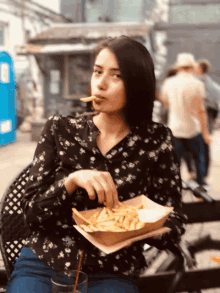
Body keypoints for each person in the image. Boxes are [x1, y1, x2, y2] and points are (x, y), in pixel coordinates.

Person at [6, 36, 186, 293]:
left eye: (117, 76)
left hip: (112, 270)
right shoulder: (60, 129)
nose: (100, 84)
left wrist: (144, 228)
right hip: (45, 261)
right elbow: (31, 214)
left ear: (137, 83)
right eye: (97, 71)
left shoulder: (156, 140)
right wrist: (71, 181)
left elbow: (175, 219)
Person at [159, 53, 211, 192]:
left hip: (175, 128)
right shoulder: (198, 84)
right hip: (194, 128)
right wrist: (205, 132)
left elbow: (165, 100)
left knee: (175, 162)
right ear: (191, 67)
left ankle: (174, 189)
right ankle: (200, 187)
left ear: (179, 67)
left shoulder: (169, 83)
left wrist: (174, 109)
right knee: (198, 159)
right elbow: (201, 110)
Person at [194, 59, 220, 186]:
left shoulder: (195, 82)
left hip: (197, 120)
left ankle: (199, 175)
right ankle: (204, 175)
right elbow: (216, 105)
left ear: (200, 69)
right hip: (209, 119)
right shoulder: (213, 85)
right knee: (205, 146)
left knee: (197, 148)